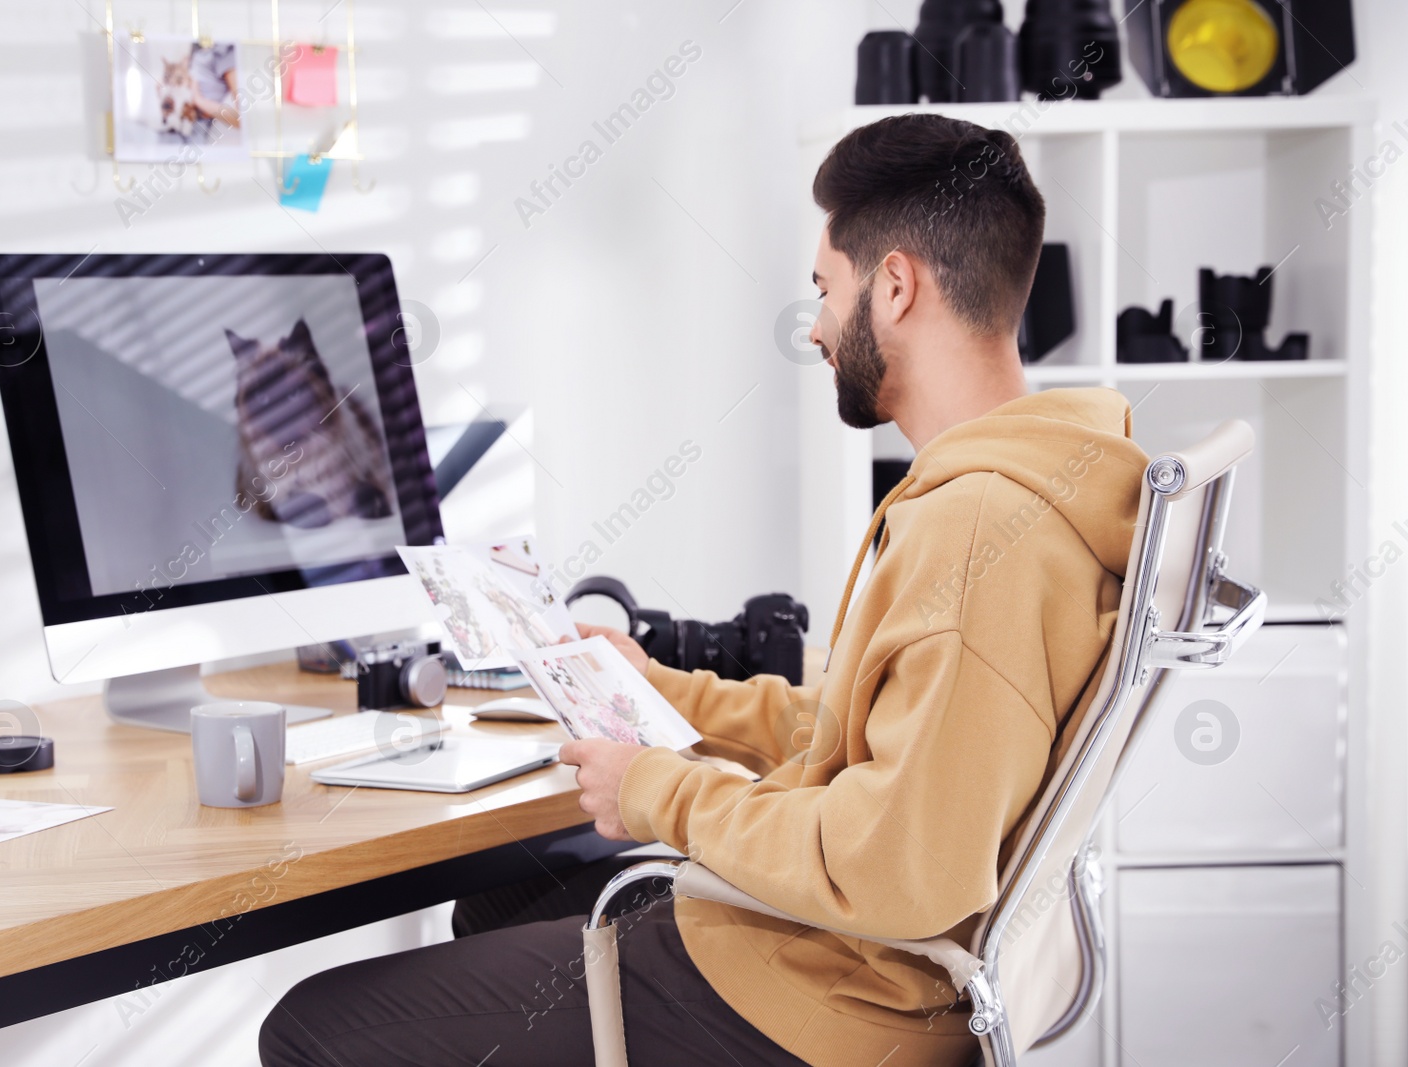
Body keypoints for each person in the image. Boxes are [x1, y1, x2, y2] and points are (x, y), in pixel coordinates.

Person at [260, 113, 1149, 1067]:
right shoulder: (1037, 484)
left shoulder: (974, 531)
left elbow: (898, 864)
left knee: (312, 1029)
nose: (815, 325)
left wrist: (660, 791)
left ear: (894, 287)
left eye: (825, 288)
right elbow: (873, 740)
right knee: (504, 896)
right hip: (856, 964)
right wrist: (664, 695)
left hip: (833, 1003)